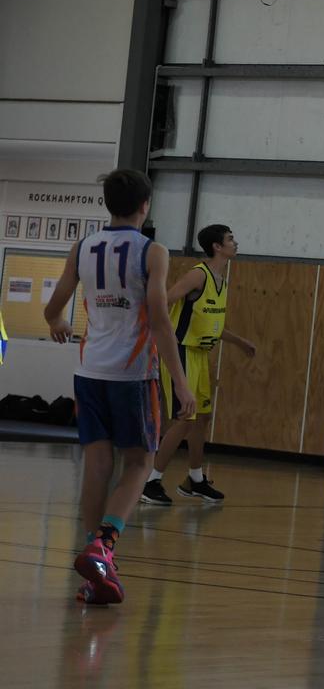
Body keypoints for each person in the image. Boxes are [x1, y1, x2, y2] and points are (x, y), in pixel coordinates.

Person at [44, 168, 196, 605]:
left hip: (90, 371)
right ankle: (104, 546)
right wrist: (181, 383)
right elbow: (161, 319)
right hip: (133, 375)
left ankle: (96, 573)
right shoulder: (153, 251)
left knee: (96, 465)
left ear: (108, 204)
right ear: (145, 205)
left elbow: (53, 307)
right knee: (139, 463)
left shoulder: (83, 247)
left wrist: (56, 323)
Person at [142, 224, 256, 505]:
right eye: (231, 238)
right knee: (185, 419)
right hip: (180, 352)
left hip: (200, 355)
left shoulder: (222, 281)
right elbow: (165, 299)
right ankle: (150, 482)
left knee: (201, 419)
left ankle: (195, 480)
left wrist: (240, 342)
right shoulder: (198, 274)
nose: (235, 242)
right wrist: (156, 332)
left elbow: (211, 325)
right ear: (217, 246)